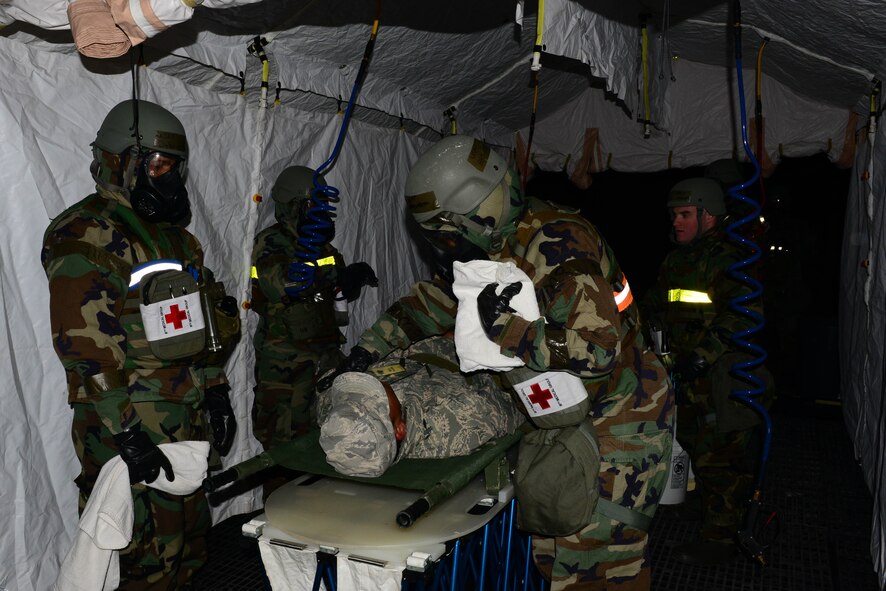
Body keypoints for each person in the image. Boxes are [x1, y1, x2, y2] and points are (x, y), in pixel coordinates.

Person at [319, 135, 674, 590]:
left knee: (598, 564)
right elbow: (431, 302)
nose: (446, 246)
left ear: (475, 214)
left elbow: (597, 349)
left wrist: (507, 328)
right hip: (566, 411)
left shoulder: (559, 244)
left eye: (447, 233)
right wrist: (367, 351)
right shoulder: (495, 247)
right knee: (558, 550)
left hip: (623, 414)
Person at [41, 99, 238, 589]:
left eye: (173, 166)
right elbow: (85, 347)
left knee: (189, 541)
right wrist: (126, 431)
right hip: (128, 425)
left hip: (183, 418)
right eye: (156, 164)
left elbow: (201, 327)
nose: (167, 177)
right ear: (119, 161)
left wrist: (215, 390)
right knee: (138, 555)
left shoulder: (179, 242)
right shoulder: (88, 232)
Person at [641, 176, 773, 566]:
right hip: (687, 378)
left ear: (709, 216)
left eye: (685, 214)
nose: (676, 221)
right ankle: (705, 508)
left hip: (723, 378)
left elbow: (746, 313)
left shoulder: (730, 260)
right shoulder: (676, 260)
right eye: (673, 215)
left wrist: (703, 352)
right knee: (697, 445)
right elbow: (656, 302)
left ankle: (721, 539)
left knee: (720, 459)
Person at [250, 165, 377, 457]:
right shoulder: (273, 242)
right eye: (313, 203)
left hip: (323, 357)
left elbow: (336, 293)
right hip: (285, 365)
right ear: (293, 205)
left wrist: (351, 279)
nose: (320, 210)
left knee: (327, 435)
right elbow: (281, 285)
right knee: (284, 443)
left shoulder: (325, 249)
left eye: (323, 204)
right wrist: (334, 277)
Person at [316, 335, 526, 477]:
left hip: (411, 336)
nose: (358, 389)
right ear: (399, 429)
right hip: (480, 350)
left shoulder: (336, 420)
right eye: (372, 399)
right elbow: (516, 403)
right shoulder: (461, 422)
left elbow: (326, 387)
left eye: (350, 398)